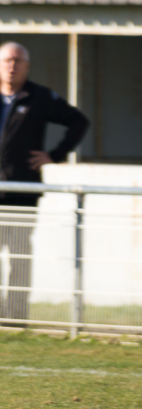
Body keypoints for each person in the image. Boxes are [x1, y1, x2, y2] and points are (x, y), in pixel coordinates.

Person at [0, 42, 90, 325]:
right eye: (7, 60)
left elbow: (79, 122)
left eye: (18, 61)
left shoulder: (39, 97)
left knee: (19, 254)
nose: (12, 66)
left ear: (27, 66)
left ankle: (15, 318)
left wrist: (54, 155)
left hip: (22, 191)